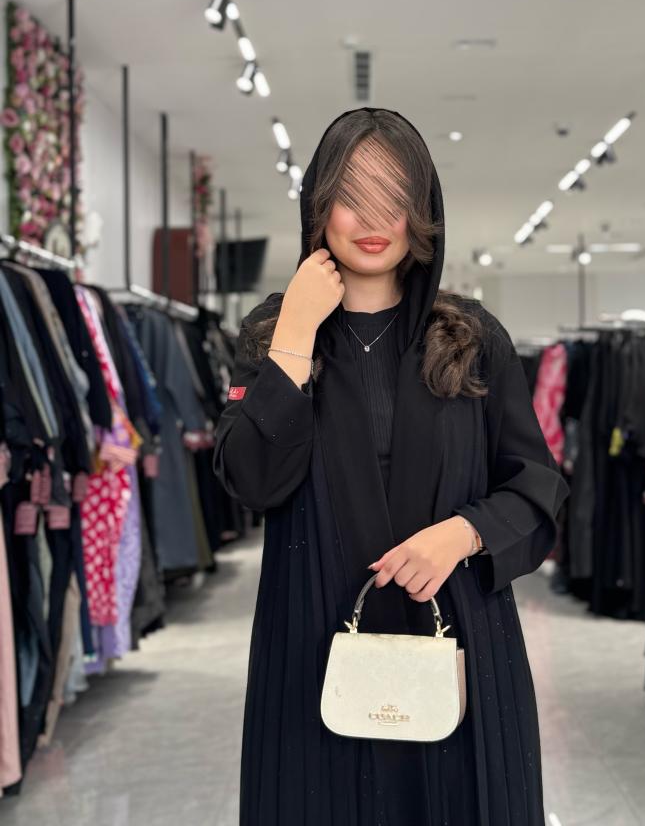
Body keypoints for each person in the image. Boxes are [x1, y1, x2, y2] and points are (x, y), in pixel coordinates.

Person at [213, 107, 569, 826]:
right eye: (351, 195)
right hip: (314, 646)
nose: (374, 219)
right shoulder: (272, 333)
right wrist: (295, 336)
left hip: (458, 644)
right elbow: (250, 480)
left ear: (422, 210)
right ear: (319, 208)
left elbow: (537, 487)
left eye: (394, 196)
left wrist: (464, 533)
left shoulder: (471, 339)